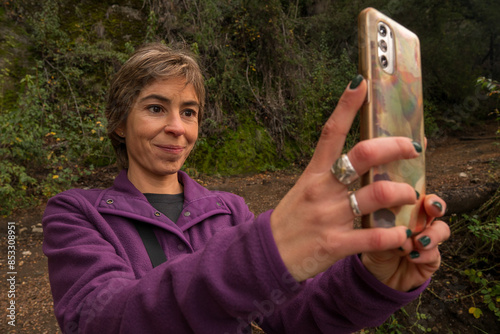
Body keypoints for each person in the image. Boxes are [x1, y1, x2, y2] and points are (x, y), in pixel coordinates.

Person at [42, 43, 450, 334]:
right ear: (118, 121)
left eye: (189, 112)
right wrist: (264, 250)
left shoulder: (228, 210)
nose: (177, 127)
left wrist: (371, 277)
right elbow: (100, 320)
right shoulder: (77, 212)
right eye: (155, 108)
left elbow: (294, 317)